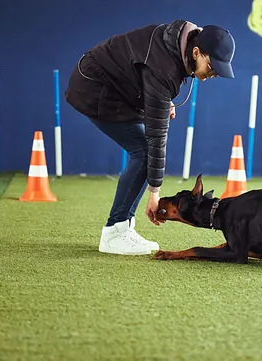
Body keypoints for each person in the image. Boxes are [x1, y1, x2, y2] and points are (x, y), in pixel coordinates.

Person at [64, 20, 236, 256]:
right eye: (213, 65)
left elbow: (145, 77)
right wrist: (155, 193)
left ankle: (123, 227)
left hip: (117, 86)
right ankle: (115, 232)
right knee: (145, 151)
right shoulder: (164, 68)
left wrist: (161, 101)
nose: (214, 73)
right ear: (196, 52)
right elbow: (157, 137)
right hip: (95, 88)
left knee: (144, 151)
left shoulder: (183, 42)